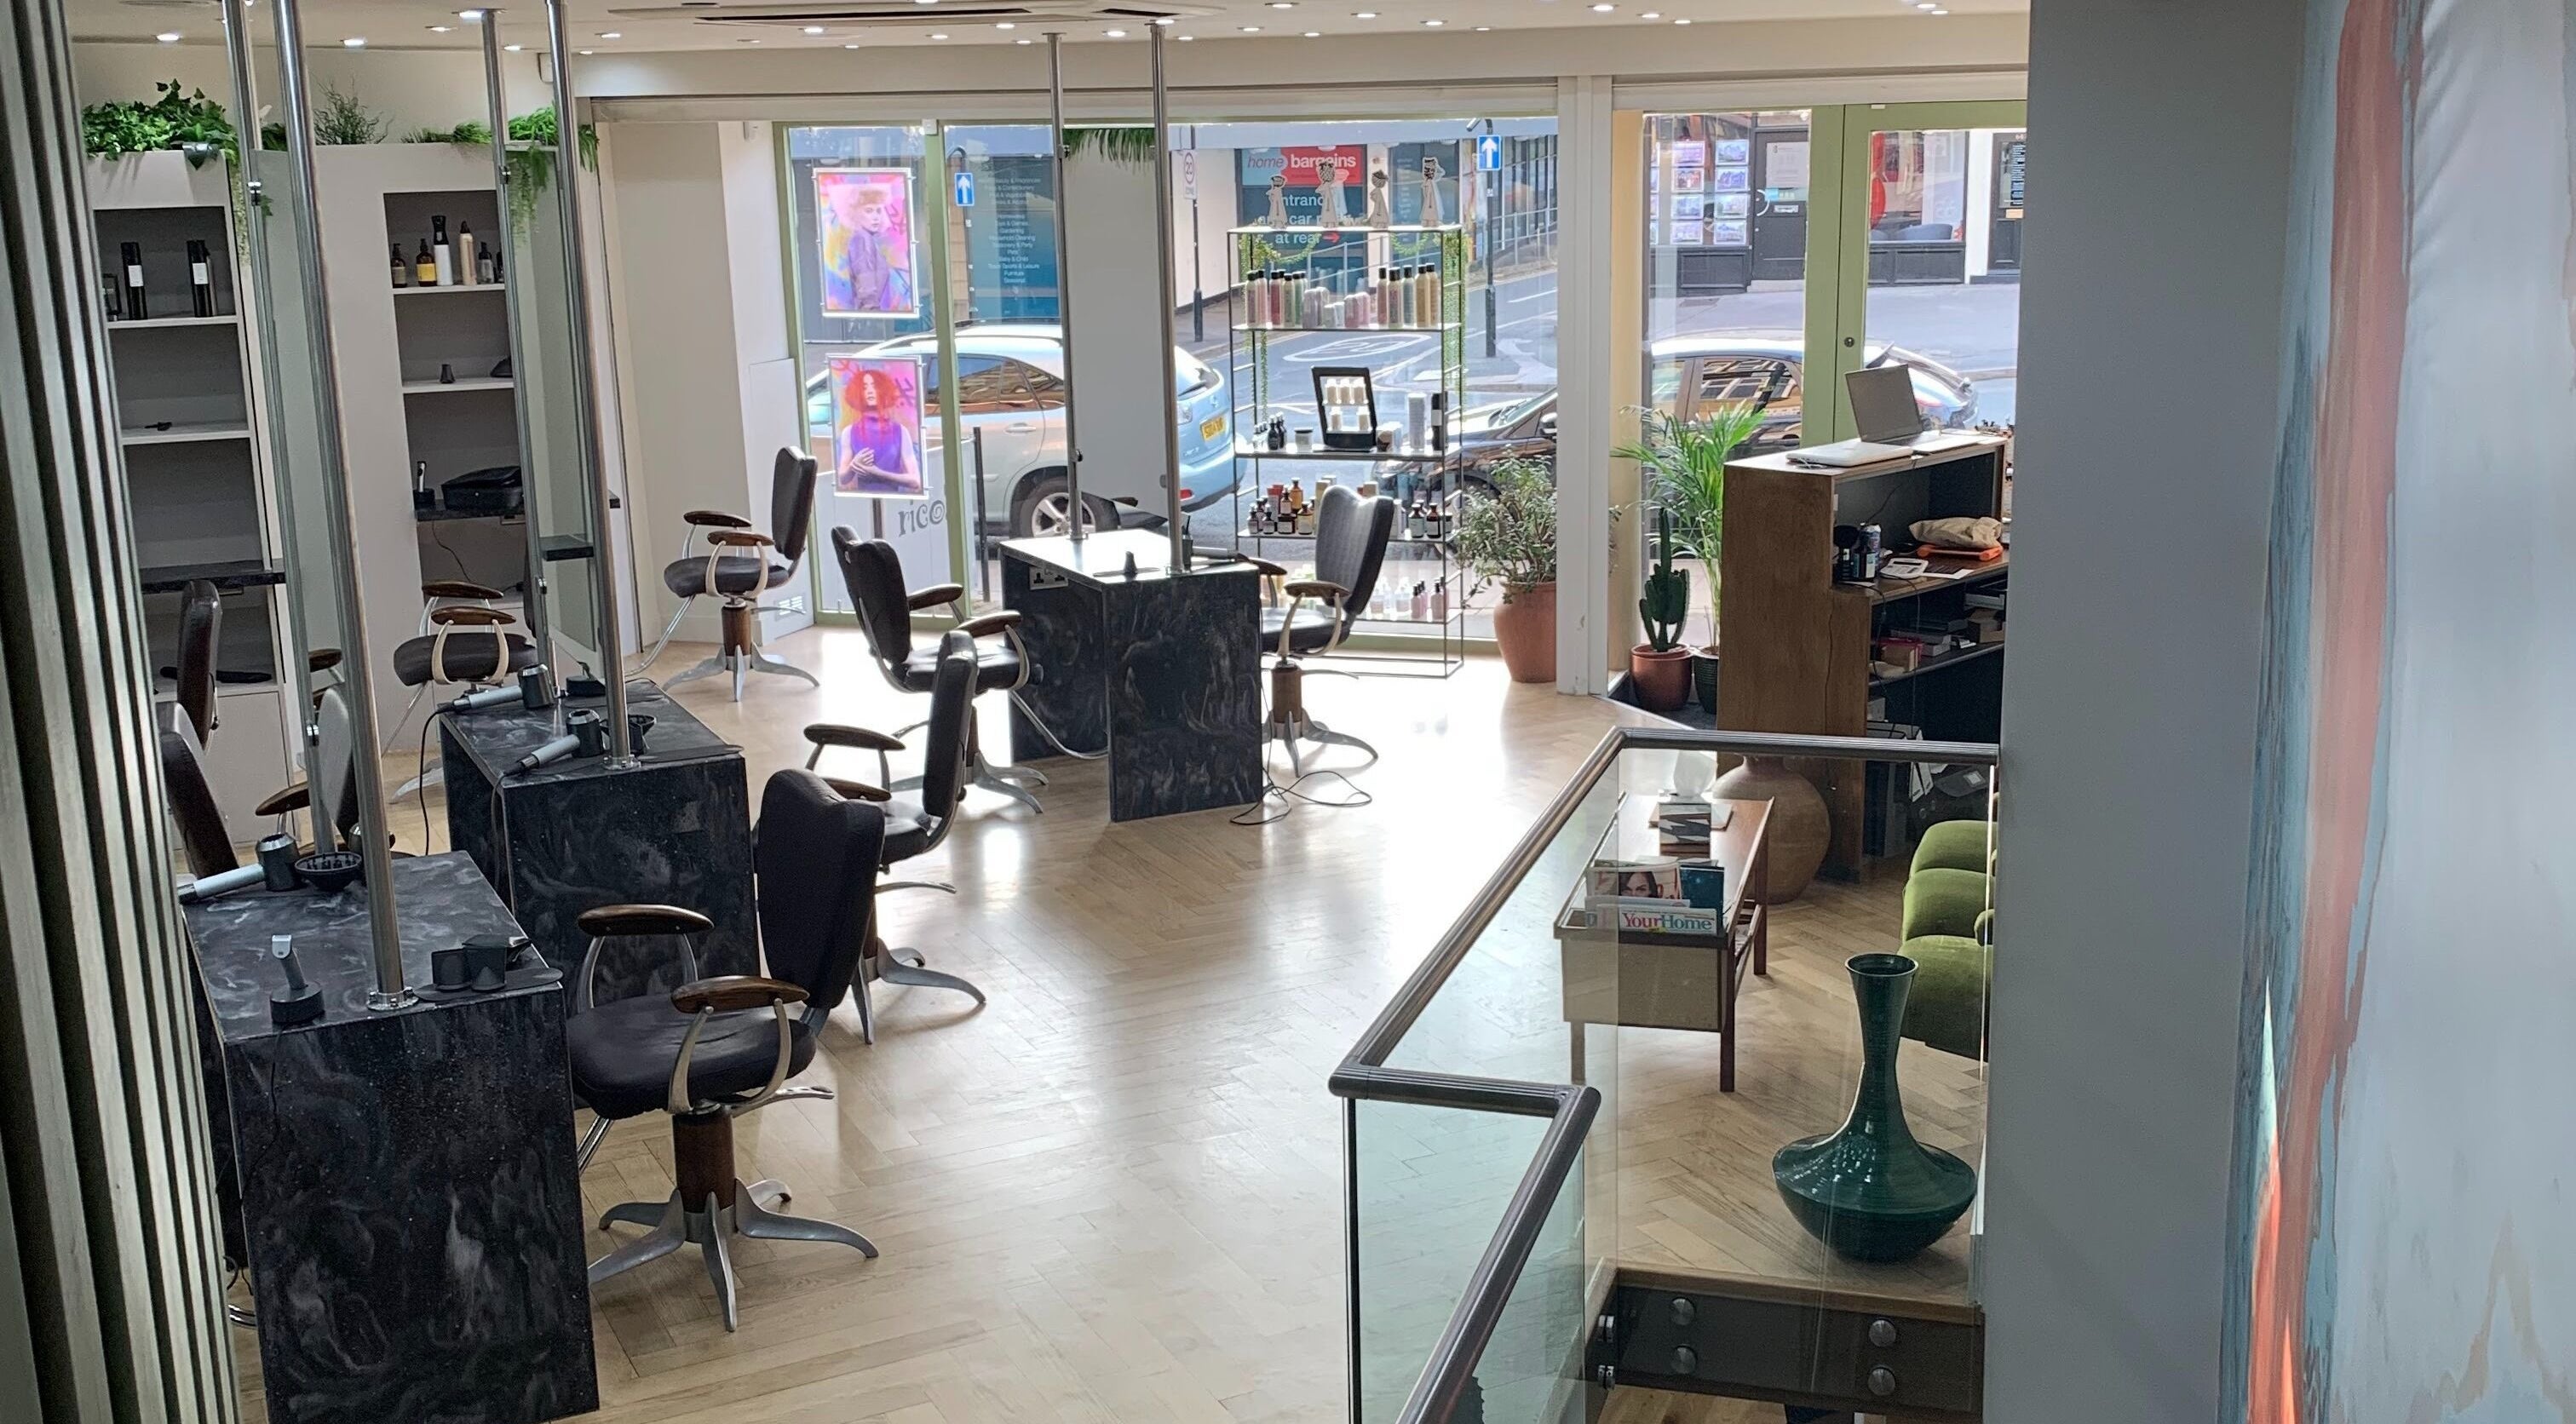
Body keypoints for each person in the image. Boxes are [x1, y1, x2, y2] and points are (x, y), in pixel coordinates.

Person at [822, 177, 916, 316]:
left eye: (878, 211)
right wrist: (872, 315)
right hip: (871, 316)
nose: (876, 217)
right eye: (869, 210)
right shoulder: (861, 240)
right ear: (855, 213)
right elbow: (866, 287)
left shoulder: (866, 239)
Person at [837, 367, 922, 495]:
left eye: (874, 386)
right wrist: (853, 466)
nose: (870, 391)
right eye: (865, 387)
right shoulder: (849, 432)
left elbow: (915, 481)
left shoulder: (900, 431)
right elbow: (843, 479)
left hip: (894, 501)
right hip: (863, 502)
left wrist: (879, 474)